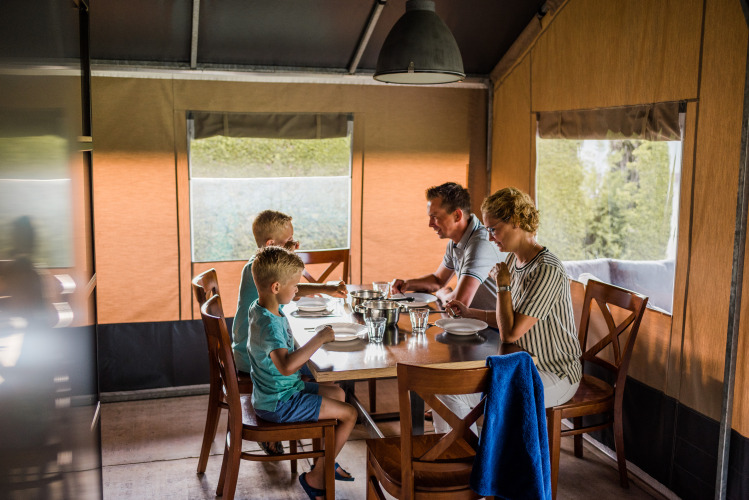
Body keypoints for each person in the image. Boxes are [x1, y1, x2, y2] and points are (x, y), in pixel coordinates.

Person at [442, 187, 582, 433]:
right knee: (446, 389)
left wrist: (503, 284)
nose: (490, 238)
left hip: (553, 372)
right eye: (487, 230)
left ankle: (470, 465)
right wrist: (469, 312)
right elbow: (506, 318)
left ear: (517, 222)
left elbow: (510, 333)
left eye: (494, 229)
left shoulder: (546, 269)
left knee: (454, 394)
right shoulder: (511, 260)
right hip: (519, 365)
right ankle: (462, 464)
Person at [233, 210, 347, 455]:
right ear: (271, 245)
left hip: (261, 358)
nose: (294, 246)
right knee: (322, 368)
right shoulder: (261, 281)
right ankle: (308, 427)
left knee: (331, 383)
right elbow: (288, 289)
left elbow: (286, 287)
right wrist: (319, 336)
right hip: (256, 364)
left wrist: (323, 287)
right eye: (289, 243)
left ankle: (325, 443)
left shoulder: (262, 287)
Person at [248, 246, 357, 500]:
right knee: (350, 415)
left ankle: (324, 462)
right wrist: (319, 338)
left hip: (279, 392)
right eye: (295, 285)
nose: (298, 290)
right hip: (279, 403)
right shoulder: (269, 325)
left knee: (338, 393)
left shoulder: (261, 308)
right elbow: (286, 366)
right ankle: (315, 479)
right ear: (276, 288)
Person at [391, 182, 505, 309]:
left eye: (435, 217)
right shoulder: (455, 242)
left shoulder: (480, 244)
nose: (430, 224)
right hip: (473, 322)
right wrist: (407, 284)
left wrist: (443, 293)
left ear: (457, 215)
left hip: (493, 327)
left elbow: (458, 304)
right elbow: (438, 280)